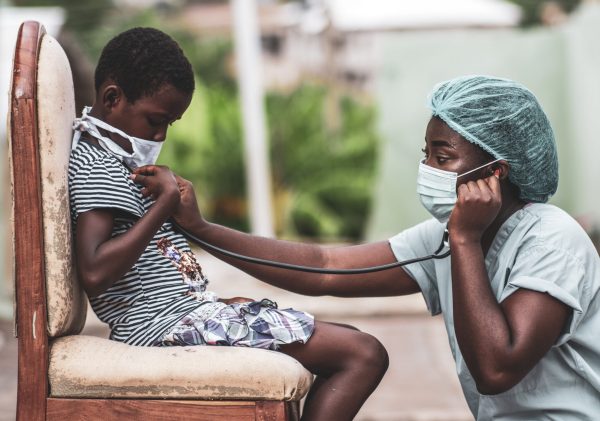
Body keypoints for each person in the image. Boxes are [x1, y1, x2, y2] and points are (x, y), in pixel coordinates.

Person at [141, 75, 600, 420]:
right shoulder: (449, 232)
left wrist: (463, 241)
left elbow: (496, 370)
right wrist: (198, 228)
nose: (428, 168)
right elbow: (325, 268)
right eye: (426, 154)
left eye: (443, 157)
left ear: (494, 174)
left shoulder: (550, 241)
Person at [68, 27, 389, 421]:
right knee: (363, 354)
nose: (160, 134)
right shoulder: (98, 166)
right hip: (162, 330)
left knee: (348, 338)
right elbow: (95, 270)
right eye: (155, 119)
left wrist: (187, 222)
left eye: (170, 122)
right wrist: (163, 205)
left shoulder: (119, 159)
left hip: (186, 314)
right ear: (112, 98)